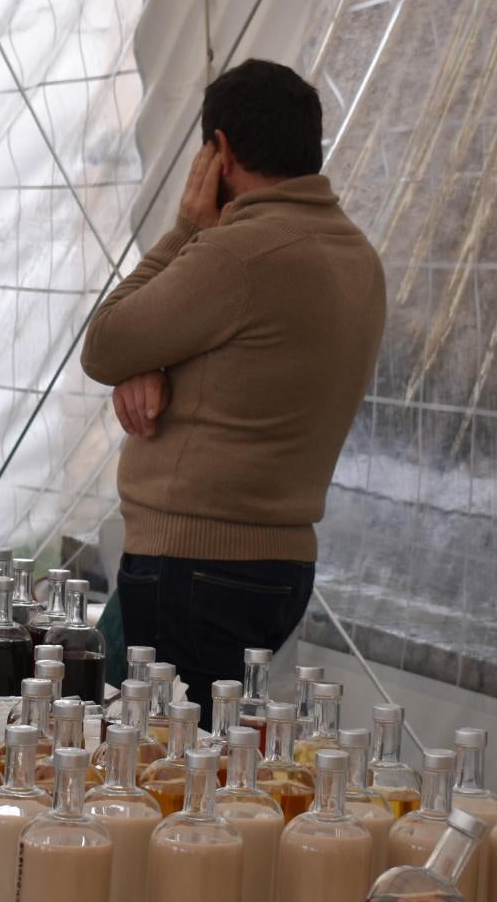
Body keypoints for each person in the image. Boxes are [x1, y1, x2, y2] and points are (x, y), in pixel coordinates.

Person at [78, 59, 384, 686]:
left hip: (195, 563)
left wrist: (187, 230)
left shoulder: (239, 253)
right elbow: (243, 359)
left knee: (169, 769)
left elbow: (106, 343)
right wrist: (155, 361)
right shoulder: (356, 254)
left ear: (219, 152)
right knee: (213, 762)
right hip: (279, 564)